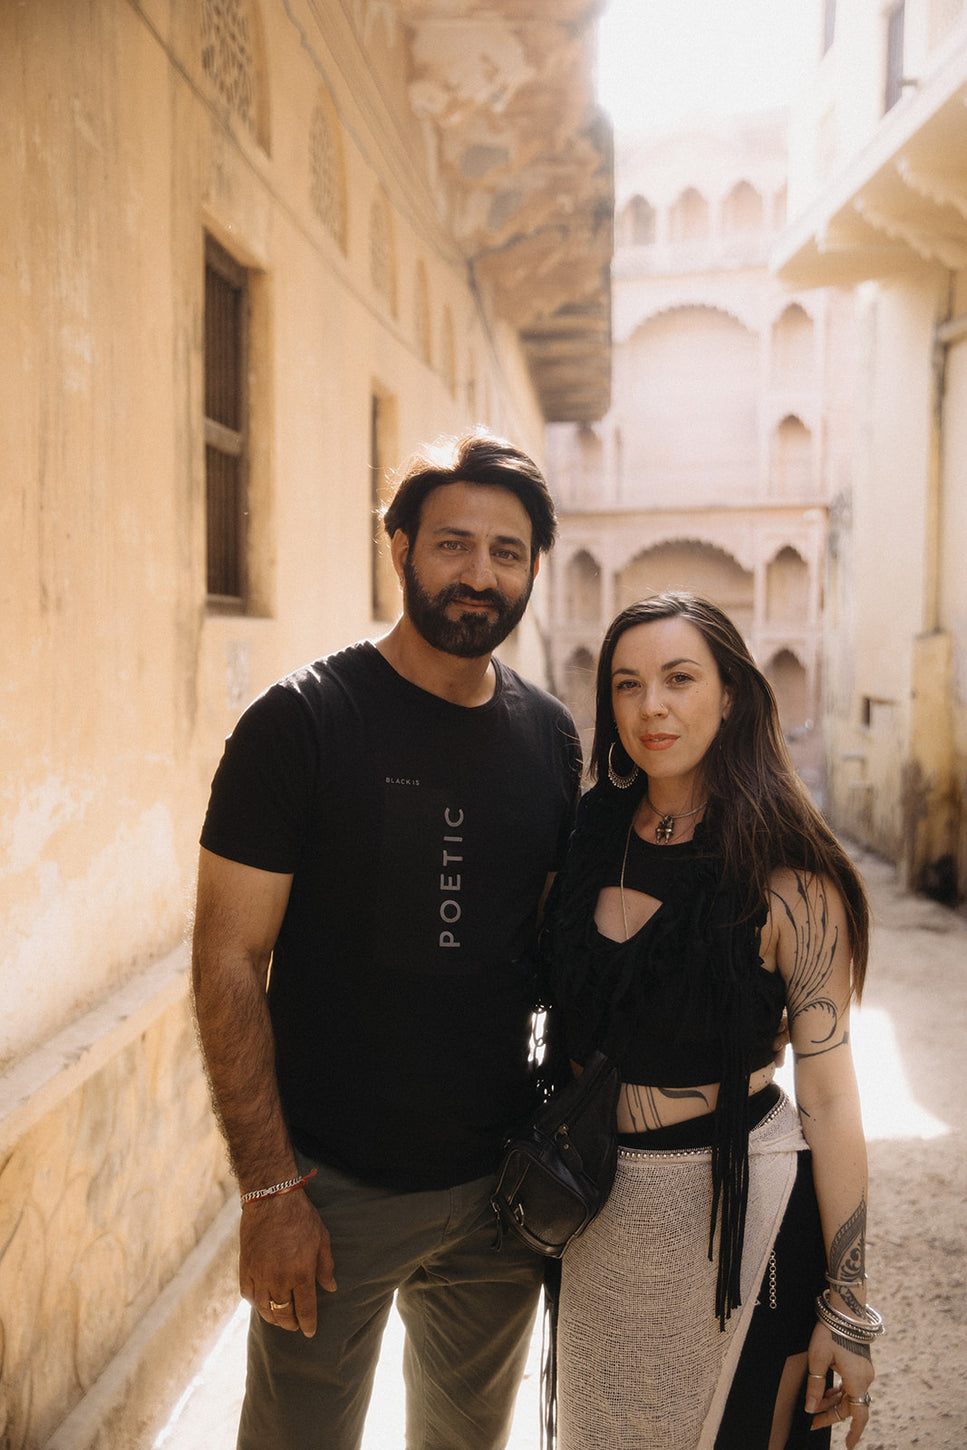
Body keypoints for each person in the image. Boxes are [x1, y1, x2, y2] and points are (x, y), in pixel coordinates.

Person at [191, 429, 581, 1450]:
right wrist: (269, 1191)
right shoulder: (301, 723)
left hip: (497, 1199)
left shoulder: (551, 738)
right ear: (399, 548)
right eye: (453, 544)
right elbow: (227, 961)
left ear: (533, 569)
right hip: (331, 1195)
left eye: (506, 552)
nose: (479, 574)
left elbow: (549, 949)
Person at [542, 592, 878, 1450]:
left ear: (729, 696)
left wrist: (846, 1305)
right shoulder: (583, 839)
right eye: (626, 684)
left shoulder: (790, 874)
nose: (650, 706)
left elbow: (830, 1099)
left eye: (678, 678)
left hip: (741, 1217)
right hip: (597, 1217)